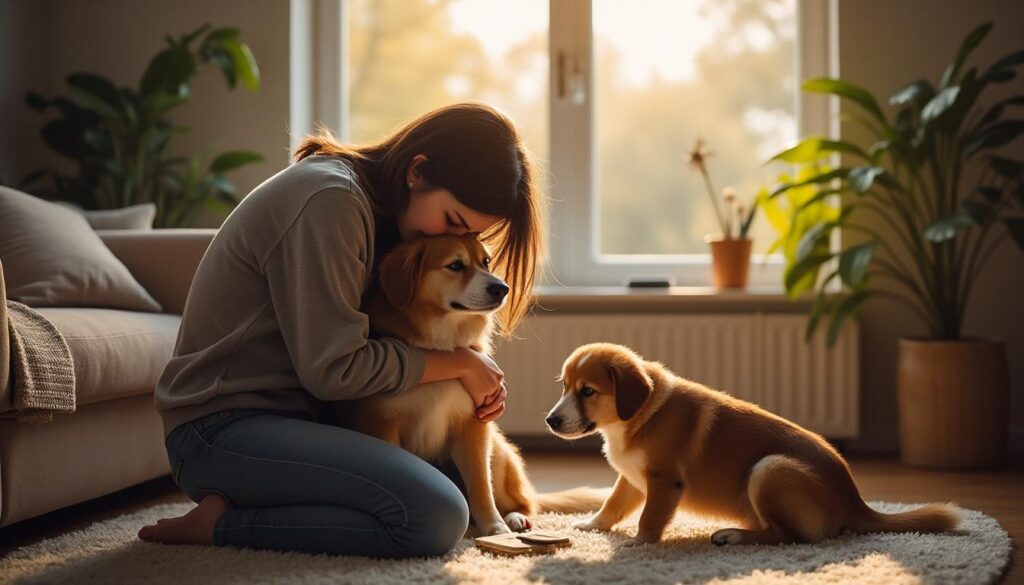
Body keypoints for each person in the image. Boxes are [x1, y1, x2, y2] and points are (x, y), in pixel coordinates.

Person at [136, 102, 544, 558]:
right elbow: (334, 370)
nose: (444, 236)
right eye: (451, 220)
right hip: (222, 429)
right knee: (436, 515)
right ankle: (225, 522)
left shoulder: (374, 211)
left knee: (460, 482)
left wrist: (468, 378)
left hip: (306, 423)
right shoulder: (332, 201)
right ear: (417, 172)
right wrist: (461, 364)